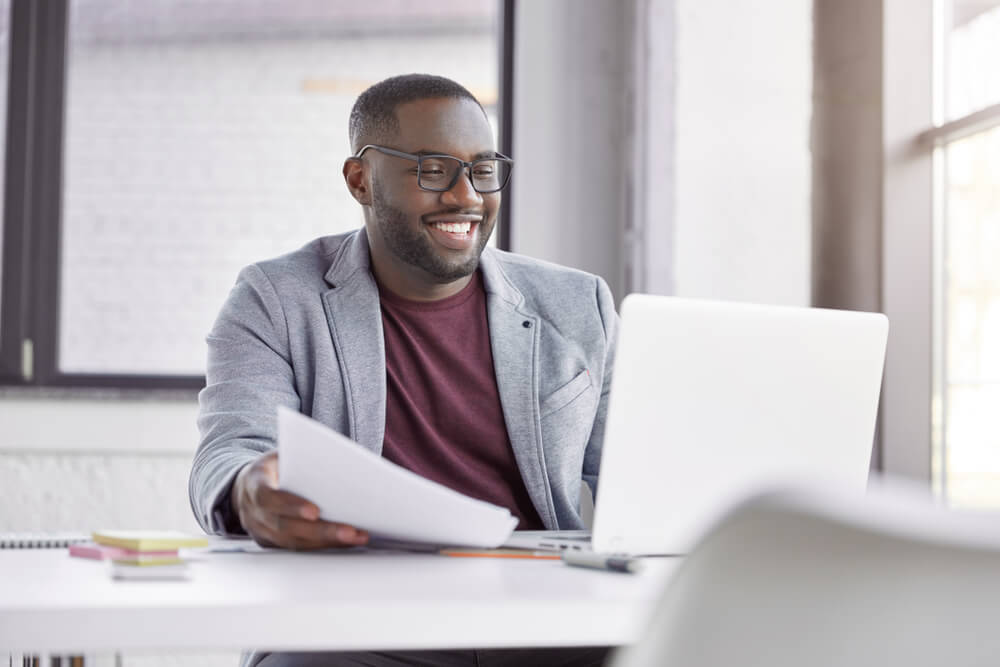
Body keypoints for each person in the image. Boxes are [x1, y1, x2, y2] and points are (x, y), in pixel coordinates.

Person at [188, 74, 618, 667]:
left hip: (541, 619)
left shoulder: (578, 303)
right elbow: (231, 449)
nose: (466, 196)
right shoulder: (276, 298)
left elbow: (634, 475)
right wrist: (249, 491)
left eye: (483, 169)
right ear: (360, 180)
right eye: (433, 169)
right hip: (356, 625)